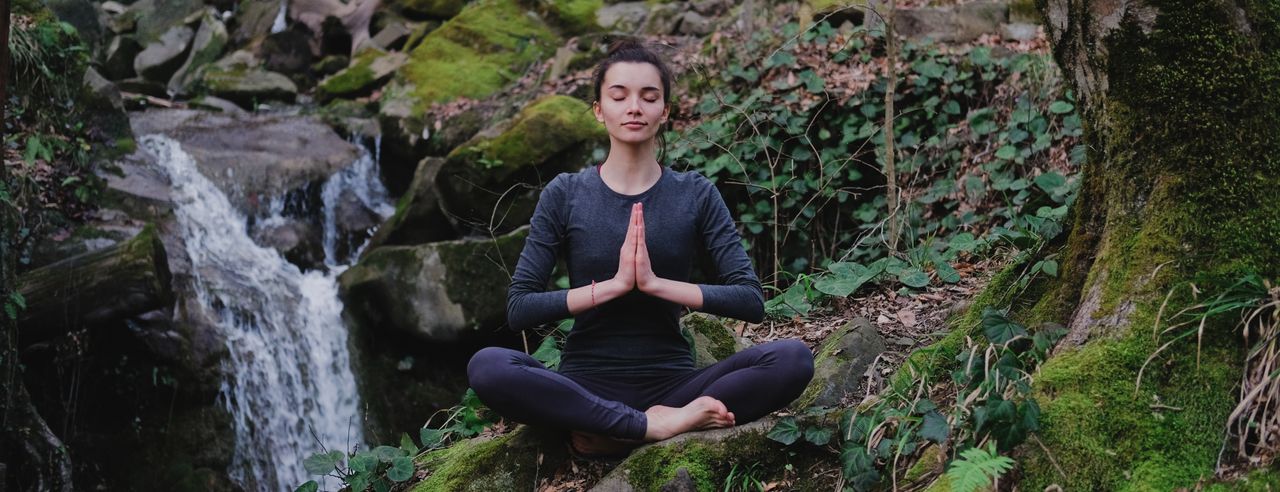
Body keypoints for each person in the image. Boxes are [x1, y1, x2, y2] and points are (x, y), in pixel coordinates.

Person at [467, 40, 814, 457]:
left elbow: (750, 300)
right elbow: (520, 307)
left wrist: (653, 283)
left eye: (649, 97)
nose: (634, 107)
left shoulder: (695, 194)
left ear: (664, 111)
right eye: (619, 96)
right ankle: (649, 427)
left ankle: (623, 430)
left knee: (793, 359)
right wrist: (612, 286)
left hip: (674, 385)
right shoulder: (566, 194)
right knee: (487, 366)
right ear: (599, 109)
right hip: (583, 385)